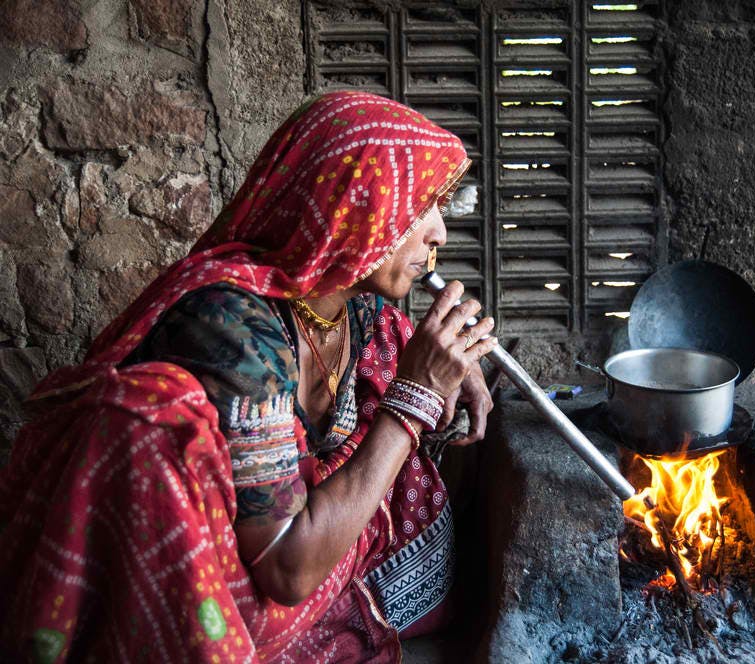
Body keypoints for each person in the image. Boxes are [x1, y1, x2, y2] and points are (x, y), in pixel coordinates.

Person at [0, 91, 499, 663]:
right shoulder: (232, 328)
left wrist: (454, 363)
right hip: (245, 570)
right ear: (355, 207)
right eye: (421, 207)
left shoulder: (350, 303)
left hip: (291, 533)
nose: (440, 234)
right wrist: (416, 396)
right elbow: (286, 570)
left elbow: (391, 336)